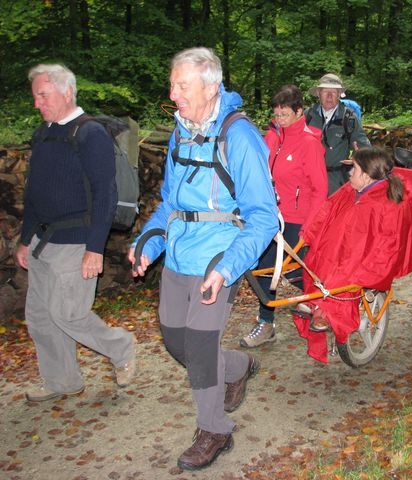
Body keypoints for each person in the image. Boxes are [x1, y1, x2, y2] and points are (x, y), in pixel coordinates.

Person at [128, 48, 279, 471]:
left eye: (182, 85)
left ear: (211, 87)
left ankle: (214, 429)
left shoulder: (241, 136)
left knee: (197, 343)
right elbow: (168, 205)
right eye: (172, 84)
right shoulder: (181, 132)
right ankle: (239, 365)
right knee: (177, 341)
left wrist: (228, 267)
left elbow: (264, 217)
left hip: (218, 254)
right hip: (178, 253)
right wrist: (148, 244)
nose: (173, 93)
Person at [15, 64, 136, 402]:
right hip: (42, 241)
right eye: (35, 96)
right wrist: (26, 240)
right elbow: (33, 193)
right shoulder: (44, 134)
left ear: (67, 92)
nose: (37, 103)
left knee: (68, 314)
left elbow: (105, 193)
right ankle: (62, 381)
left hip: (75, 240)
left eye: (43, 95)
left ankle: (121, 348)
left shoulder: (89, 134)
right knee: (39, 316)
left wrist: (94, 248)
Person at [293, 147, 412, 362]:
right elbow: (326, 210)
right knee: (315, 260)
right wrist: (308, 235)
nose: (349, 174)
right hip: (341, 248)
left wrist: (368, 268)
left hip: (367, 258)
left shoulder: (390, 203)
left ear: (366, 174)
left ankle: (328, 311)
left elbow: (390, 245)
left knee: (343, 275)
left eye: (353, 169)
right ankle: (316, 301)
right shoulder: (350, 190)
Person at [240, 85, 327, 348]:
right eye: (276, 115)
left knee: (295, 272)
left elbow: (320, 188)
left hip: (298, 217)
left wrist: (308, 227)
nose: (279, 120)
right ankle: (266, 324)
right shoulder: (272, 137)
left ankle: (325, 304)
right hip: (270, 216)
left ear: (299, 112)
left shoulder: (309, 144)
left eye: (285, 115)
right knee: (262, 269)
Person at [306, 73, 370, 194]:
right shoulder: (308, 116)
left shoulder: (349, 118)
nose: (329, 96)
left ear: (339, 94)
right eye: (325, 91)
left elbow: (364, 147)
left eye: (334, 92)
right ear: (318, 93)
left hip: (336, 182)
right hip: (309, 180)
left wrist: (359, 158)